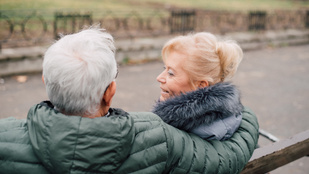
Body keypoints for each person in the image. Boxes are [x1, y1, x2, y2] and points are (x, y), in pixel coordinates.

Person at [0, 27, 259, 174]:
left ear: (46, 82)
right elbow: (224, 159)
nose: (161, 77)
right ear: (109, 91)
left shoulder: (5, 137)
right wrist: (244, 115)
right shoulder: (158, 136)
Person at [153, 32, 246, 141]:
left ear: (201, 86)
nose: (159, 78)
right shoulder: (230, 115)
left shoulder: (179, 136)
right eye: (164, 69)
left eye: (170, 73)